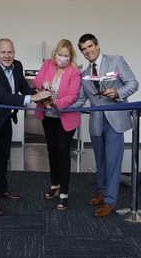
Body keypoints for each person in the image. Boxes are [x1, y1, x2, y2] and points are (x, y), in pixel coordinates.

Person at [0, 38, 51, 216]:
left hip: (5, 120)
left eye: (10, 52)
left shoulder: (17, 65)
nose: (7, 56)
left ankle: (2, 189)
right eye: (3, 52)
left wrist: (40, 94)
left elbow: (24, 87)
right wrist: (32, 99)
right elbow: (3, 97)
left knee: (3, 158)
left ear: (14, 53)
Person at [70, 33, 139, 217]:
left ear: (98, 46)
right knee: (100, 161)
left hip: (115, 120)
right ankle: (102, 191)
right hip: (96, 122)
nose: (88, 51)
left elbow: (133, 83)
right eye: (84, 49)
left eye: (90, 46)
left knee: (112, 161)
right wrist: (62, 108)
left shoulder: (116, 60)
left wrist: (118, 92)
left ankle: (110, 201)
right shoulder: (84, 74)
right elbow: (82, 99)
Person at [33, 39, 81, 210]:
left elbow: (73, 96)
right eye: (60, 55)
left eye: (66, 56)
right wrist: (42, 84)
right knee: (51, 150)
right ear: (55, 54)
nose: (63, 58)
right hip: (48, 117)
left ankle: (64, 192)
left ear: (71, 57)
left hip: (65, 118)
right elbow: (36, 82)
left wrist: (56, 104)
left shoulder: (74, 72)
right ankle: (54, 185)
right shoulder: (47, 65)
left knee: (62, 152)